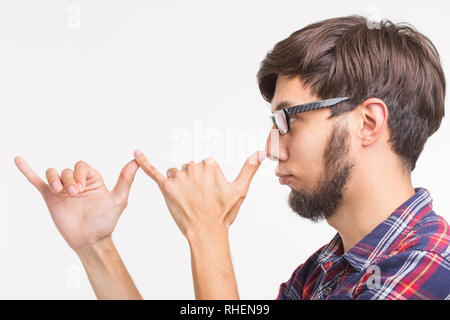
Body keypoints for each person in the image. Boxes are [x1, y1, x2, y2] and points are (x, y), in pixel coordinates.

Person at [15, 15, 449, 300]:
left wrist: (207, 233)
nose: (272, 147)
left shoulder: (431, 266)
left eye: (288, 120)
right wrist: (96, 247)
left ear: (369, 123)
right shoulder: (321, 272)